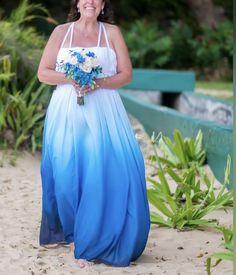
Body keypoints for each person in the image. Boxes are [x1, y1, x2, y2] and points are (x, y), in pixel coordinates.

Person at [37, 0, 150, 268]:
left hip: (105, 112)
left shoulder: (112, 33)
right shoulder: (60, 33)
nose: (90, 1)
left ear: (102, 5)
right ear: (77, 3)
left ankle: (91, 239)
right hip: (66, 111)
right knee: (66, 174)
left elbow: (126, 75)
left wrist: (96, 82)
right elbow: (43, 73)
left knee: (103, 171)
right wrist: (72, 77)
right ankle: (74, 233)